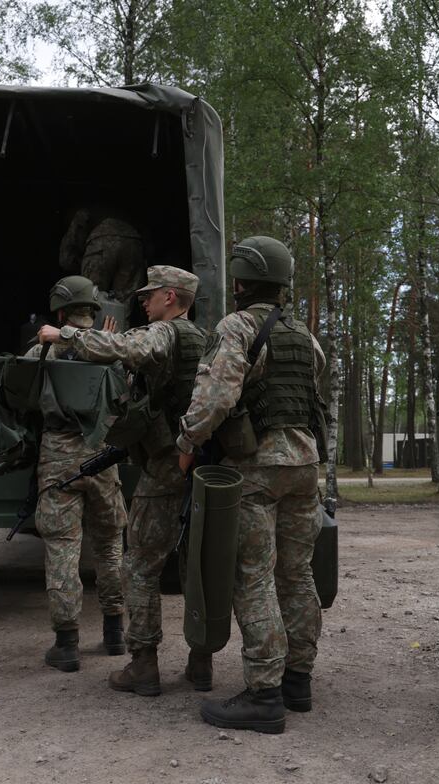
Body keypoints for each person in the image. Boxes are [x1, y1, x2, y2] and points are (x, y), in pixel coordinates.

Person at [176, 235, 326, 735]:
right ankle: (297, 681)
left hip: (257, 466)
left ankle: (264, 692)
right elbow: (314, 391)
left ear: (240, 280)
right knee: (297, 574)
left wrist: (187, 440)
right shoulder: (303, 334)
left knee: (254, 575)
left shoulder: (237, 327)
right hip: (305, 466)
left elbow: (215, 396)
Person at [37, 265, 209, 696]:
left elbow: (122, 349)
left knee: (141, 564)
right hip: (199, 464)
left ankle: (144, 664)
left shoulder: (164, 334)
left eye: (149, 295)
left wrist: (66, 337)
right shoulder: (204, 339)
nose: (142, 301)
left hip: (167, 464)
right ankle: (201, 662)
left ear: (170, 297)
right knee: (196, 565)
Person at [32, 275, 128, 672]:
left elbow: (20, 397)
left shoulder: (43, 349)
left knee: (63, 548)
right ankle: (114, 634)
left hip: (58, 454)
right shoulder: (110, 349)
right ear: (95, 309)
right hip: (102, 454)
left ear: (59, 310)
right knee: (109, 546)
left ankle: (67, 643)